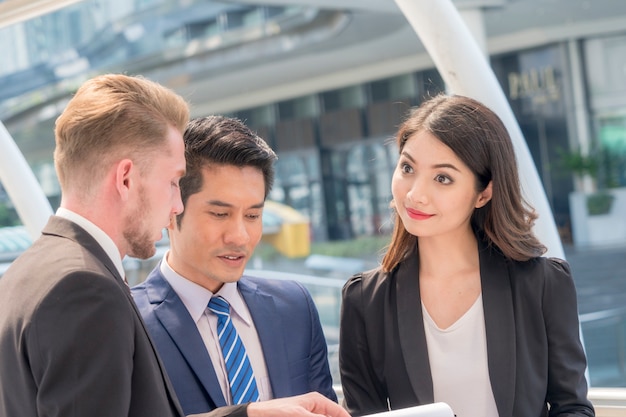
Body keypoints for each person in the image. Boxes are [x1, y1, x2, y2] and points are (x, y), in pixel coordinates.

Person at [0, 73, 349, 417]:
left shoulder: (25, 277)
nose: (175, 204)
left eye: (253, 215)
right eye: (171, 183)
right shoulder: (84, 288)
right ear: (125, 179)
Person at [339, 94, 594, 417]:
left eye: (442, 178)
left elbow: (571, 407)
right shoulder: (365, 301)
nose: (416, 194)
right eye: (407, 167)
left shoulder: (542, 283)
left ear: (483, 193)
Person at [131, 115, 337, 416]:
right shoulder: (130, 323)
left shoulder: (294, 308)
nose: (240, 236)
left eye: (253, 216)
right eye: (219, 214)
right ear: (172, 211)